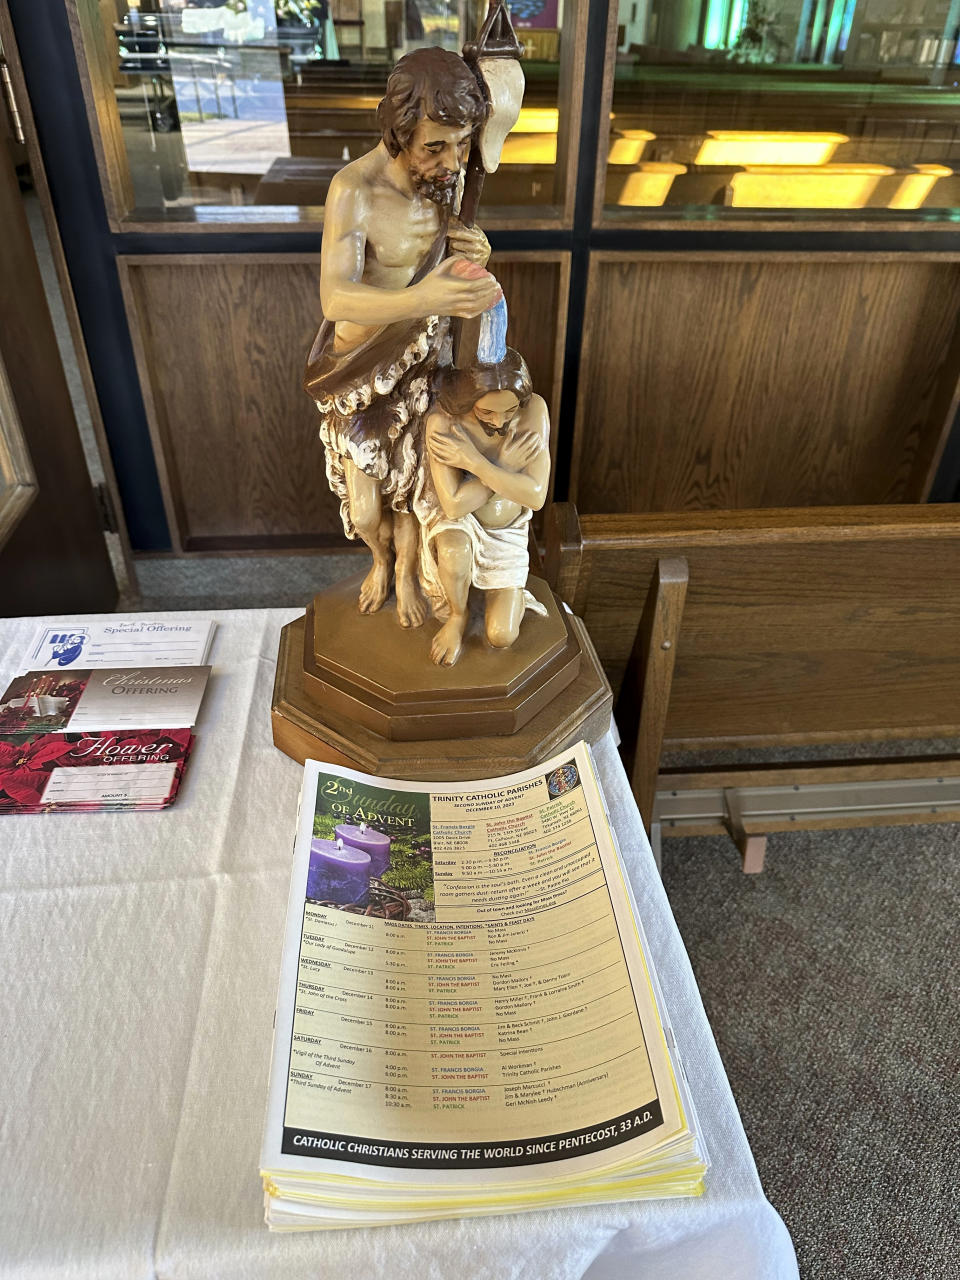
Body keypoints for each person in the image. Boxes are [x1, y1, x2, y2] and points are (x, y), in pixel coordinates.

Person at [305, 46, 501, 627]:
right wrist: (426, 298)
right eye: (435, 146)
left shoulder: (443, 184)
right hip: (362, 369)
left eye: (462, 144)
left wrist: (476, 253)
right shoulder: (354, 190)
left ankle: (406, 571)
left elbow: (448, 262)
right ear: (398, 131)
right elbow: (335, 297)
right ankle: (379, 555)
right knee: (366, 508)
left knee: (417, 483)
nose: (452, 161)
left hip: (423, 360)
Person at [417, 346, 550, 667]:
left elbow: (535, 496)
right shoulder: (443, 423)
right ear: (467, 400)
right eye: (487, 412)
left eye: (510, 410)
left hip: (507, 529)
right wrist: (505, 466)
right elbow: (454, 505)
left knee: (502, 635)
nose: (501, 422)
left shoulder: (533, 411)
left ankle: (509, 594)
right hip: (461, 524)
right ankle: (457, 616)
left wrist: (475, 463)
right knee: (452, 552)